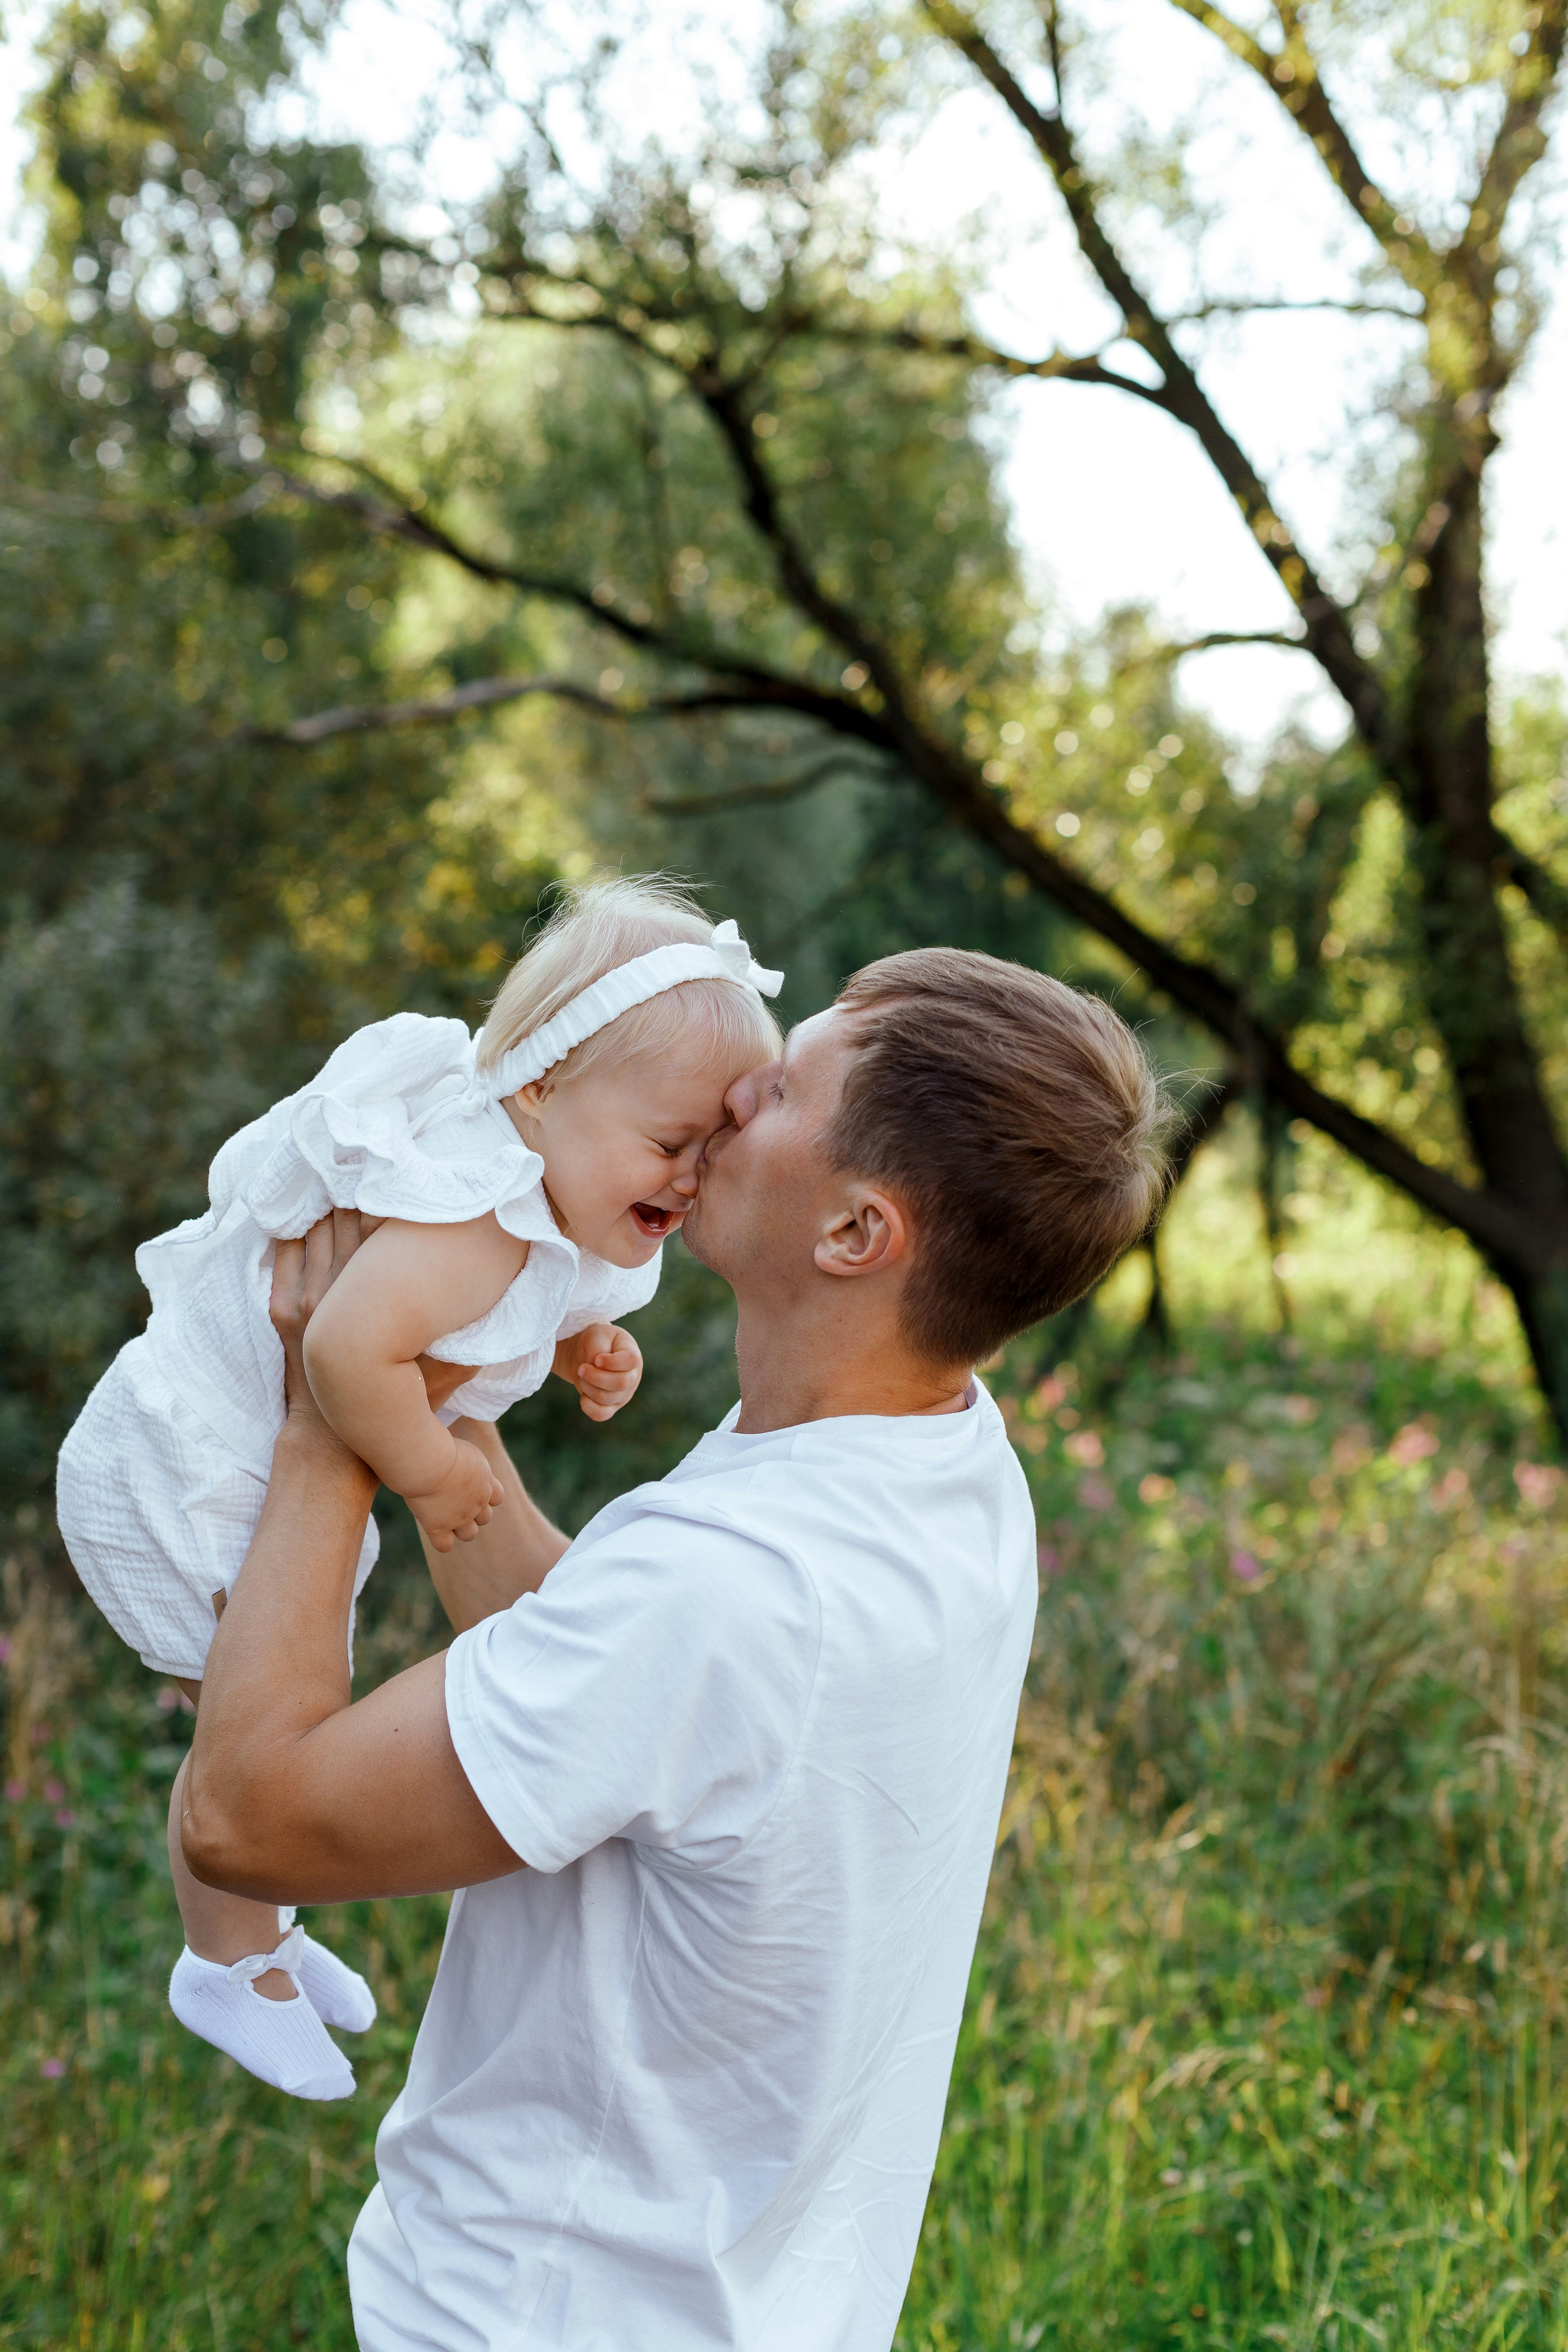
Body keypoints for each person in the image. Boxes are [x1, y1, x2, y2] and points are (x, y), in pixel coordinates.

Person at [181, 946, 1169, 2352]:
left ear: (852, 1235)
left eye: (774, 1091)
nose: (722, 1096)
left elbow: (243, 1824)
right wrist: (429, 1414)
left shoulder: (727, 1590)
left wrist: (317, 1422)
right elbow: (621, 1685)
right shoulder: (942, 1465)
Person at [54, 876, 783, 2099]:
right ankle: (227, 1962)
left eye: (712, 1151)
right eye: (668, 1145)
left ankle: (258, 1942)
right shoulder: (480, 1214)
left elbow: (470, 1319)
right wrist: (435, 1470)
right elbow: (341, 1353)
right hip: (187, 1464)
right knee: (245, 1707)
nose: (692, 1178)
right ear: (539, 1092)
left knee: (255, 1693)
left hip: (231, 1455)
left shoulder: (538, 1205)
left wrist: (565, 1345)